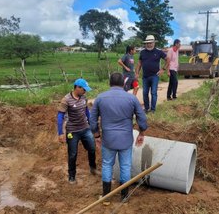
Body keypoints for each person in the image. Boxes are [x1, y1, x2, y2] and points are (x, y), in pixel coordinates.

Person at [90, 72, 147, 204]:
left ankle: (106, 197)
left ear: (110, 83)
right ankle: (124, 197)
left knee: (106, 165)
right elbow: (142, 117)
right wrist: (142, 132)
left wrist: (97, 136)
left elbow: (92, 120)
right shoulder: (131, 99)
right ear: (123, 84)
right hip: (125, 139)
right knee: (125, 166)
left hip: (108, 139)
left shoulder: (100, 98)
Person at [57, 78, 99, 184]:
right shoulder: (66, 100)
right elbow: (60, 116)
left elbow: (86, 112)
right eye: (84, 89)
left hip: (85, 129)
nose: (85, 91)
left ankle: (93, 168)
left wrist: (91, 125)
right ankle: (72, 176)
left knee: (92, 148)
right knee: (72, 154)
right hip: (72, 131)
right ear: (77, 87)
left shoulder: (83, 98)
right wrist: (60, 133)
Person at [135, 35, 169, 113]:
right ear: (146, 44)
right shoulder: (142, 52)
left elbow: (168, 59)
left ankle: (153, 109)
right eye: (147, 43)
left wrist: (163, 69)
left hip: (155, 76)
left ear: (154, 43)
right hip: (145, 77)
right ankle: (146, 108)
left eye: (150, 43)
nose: (149, 44)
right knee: (144, 93)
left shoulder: (158, 52)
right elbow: (139, 63)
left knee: (153, 92)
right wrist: (137, 73)